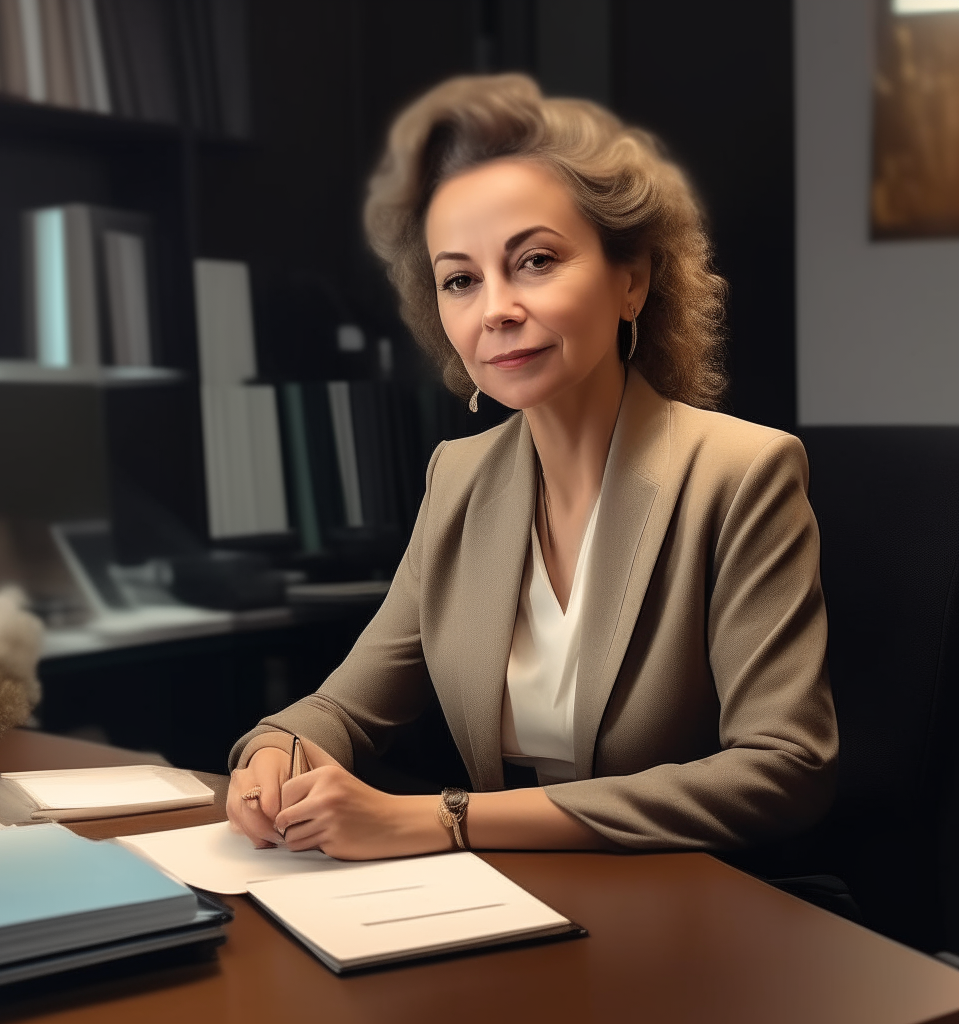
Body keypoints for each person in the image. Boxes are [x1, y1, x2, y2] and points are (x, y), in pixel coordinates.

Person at [226, 74, 838, 860]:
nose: (496, 310)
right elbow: (341, 711)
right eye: (461, 280)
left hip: (699, 910)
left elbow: (784, 769)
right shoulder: (459, 479)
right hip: (518, 899)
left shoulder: (742, 473)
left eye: (537, 261)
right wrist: (273, 756)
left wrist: (443, 821)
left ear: (632, 280)